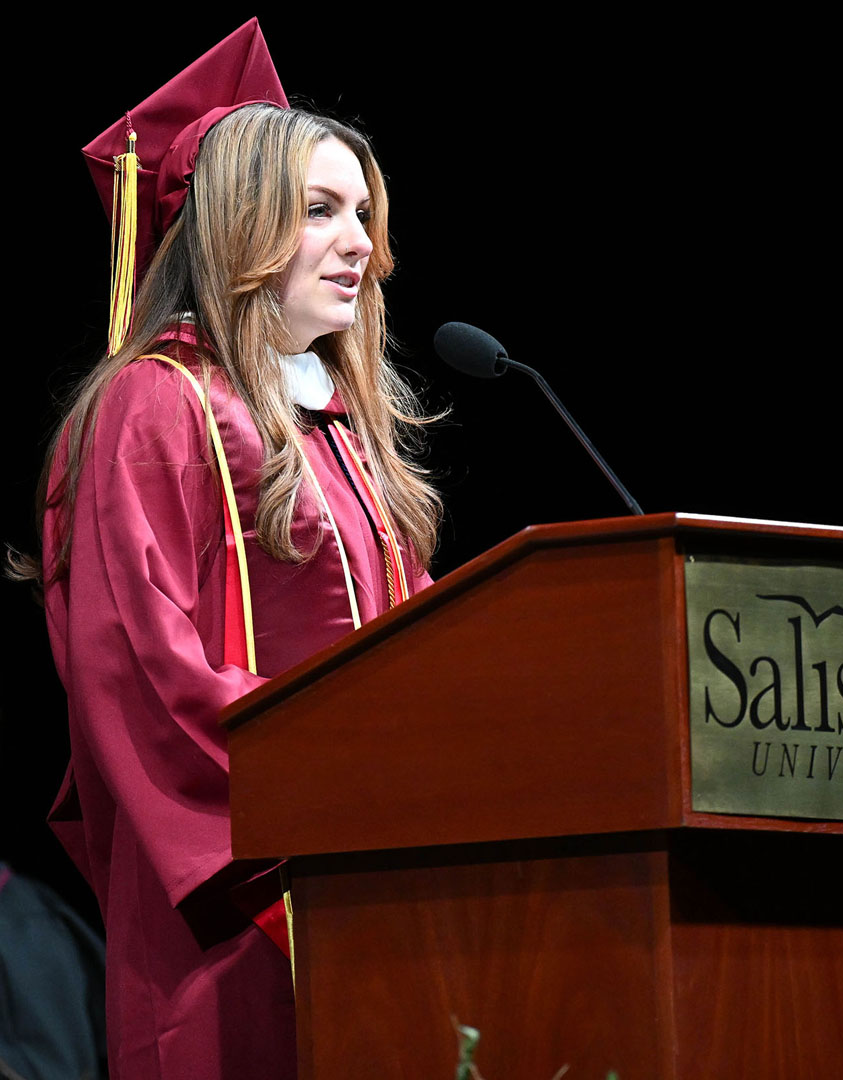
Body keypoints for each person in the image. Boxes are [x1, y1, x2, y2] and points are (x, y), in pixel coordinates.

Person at [12, 20, 439, 1080]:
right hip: (239, 909)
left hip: (372, 889)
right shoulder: (155, 409)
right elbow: (141, 676)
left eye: (366, 215)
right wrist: (338, 796)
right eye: (322, 211)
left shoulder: (337, 428)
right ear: (238, 221)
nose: (364, 246)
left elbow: (431, 646)